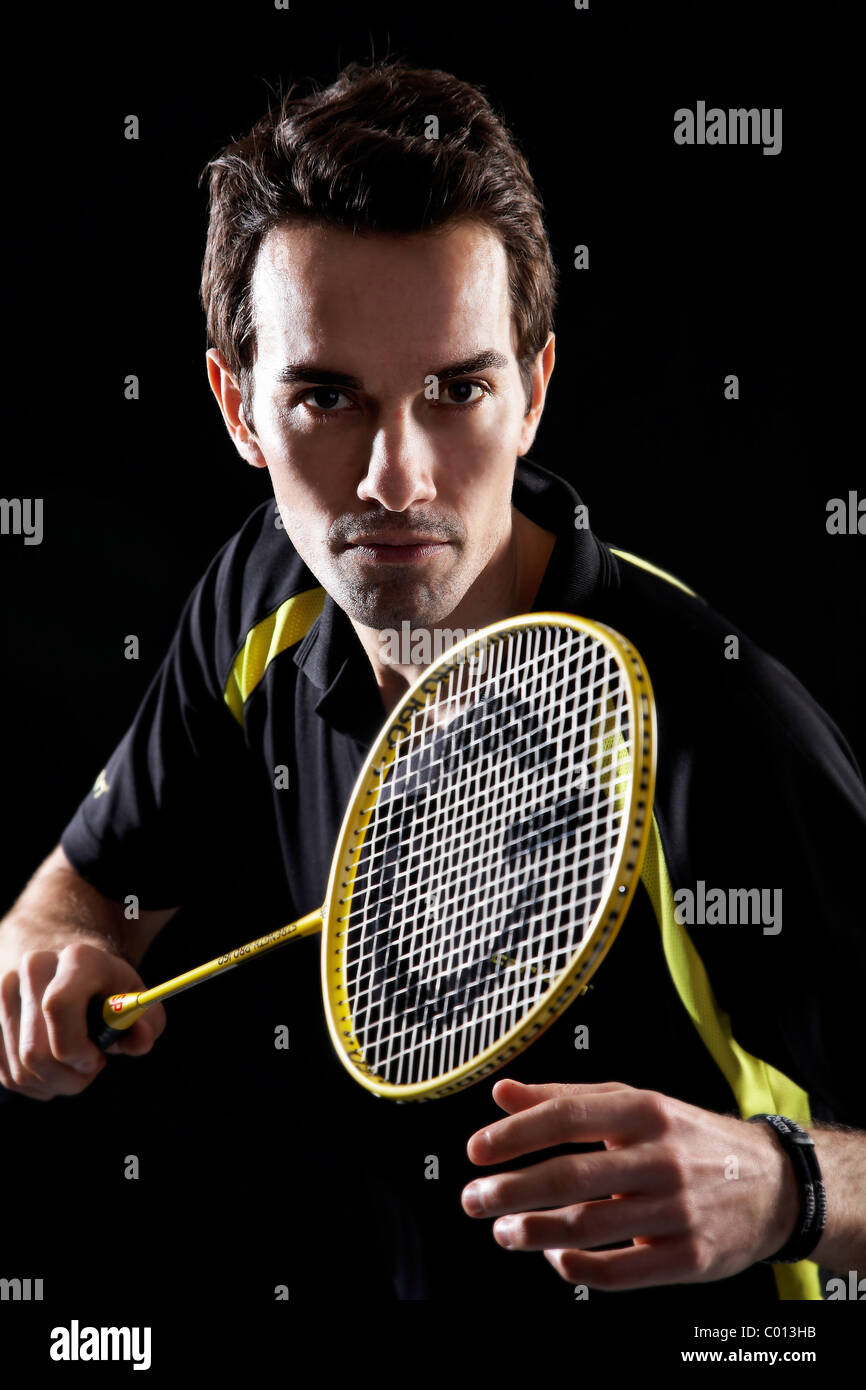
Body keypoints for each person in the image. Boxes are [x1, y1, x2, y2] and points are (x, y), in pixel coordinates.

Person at [1, 59, 863, 1304]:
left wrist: (789, 1189)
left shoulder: (718, 727)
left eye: (455, 390)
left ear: (534, 391)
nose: (393, 480)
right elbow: (87, 891)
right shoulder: (265, 598)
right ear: (237, 408)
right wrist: (53, 944)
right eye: (325, 398)